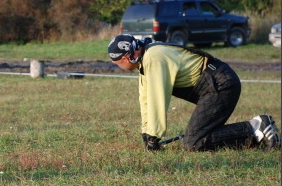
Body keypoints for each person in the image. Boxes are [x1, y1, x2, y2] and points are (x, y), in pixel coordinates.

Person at [107, 34, 280, 152]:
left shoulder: (153, 58)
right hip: (213, 86)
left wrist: (154, 135)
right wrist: (146, 132)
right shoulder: (146, 60)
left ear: (126, 57)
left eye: (116, 62)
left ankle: (257, 126)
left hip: (220, 84)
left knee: (193, 143)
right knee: (197, 139)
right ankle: (256, 136)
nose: (117, 66)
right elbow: (145, 98)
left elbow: (157, 98)